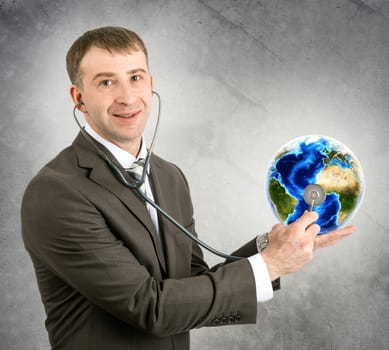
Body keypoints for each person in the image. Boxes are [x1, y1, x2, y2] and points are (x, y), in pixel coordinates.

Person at [21, 26, 355, 350]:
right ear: (78, 97)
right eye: (107, 82)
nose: (127, 97)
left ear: (150, 83)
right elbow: (152, 308)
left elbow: (191, 292)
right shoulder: (56, 193)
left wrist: (271, 245)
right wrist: (271, 264)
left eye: (135, 77)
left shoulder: (169, 176)